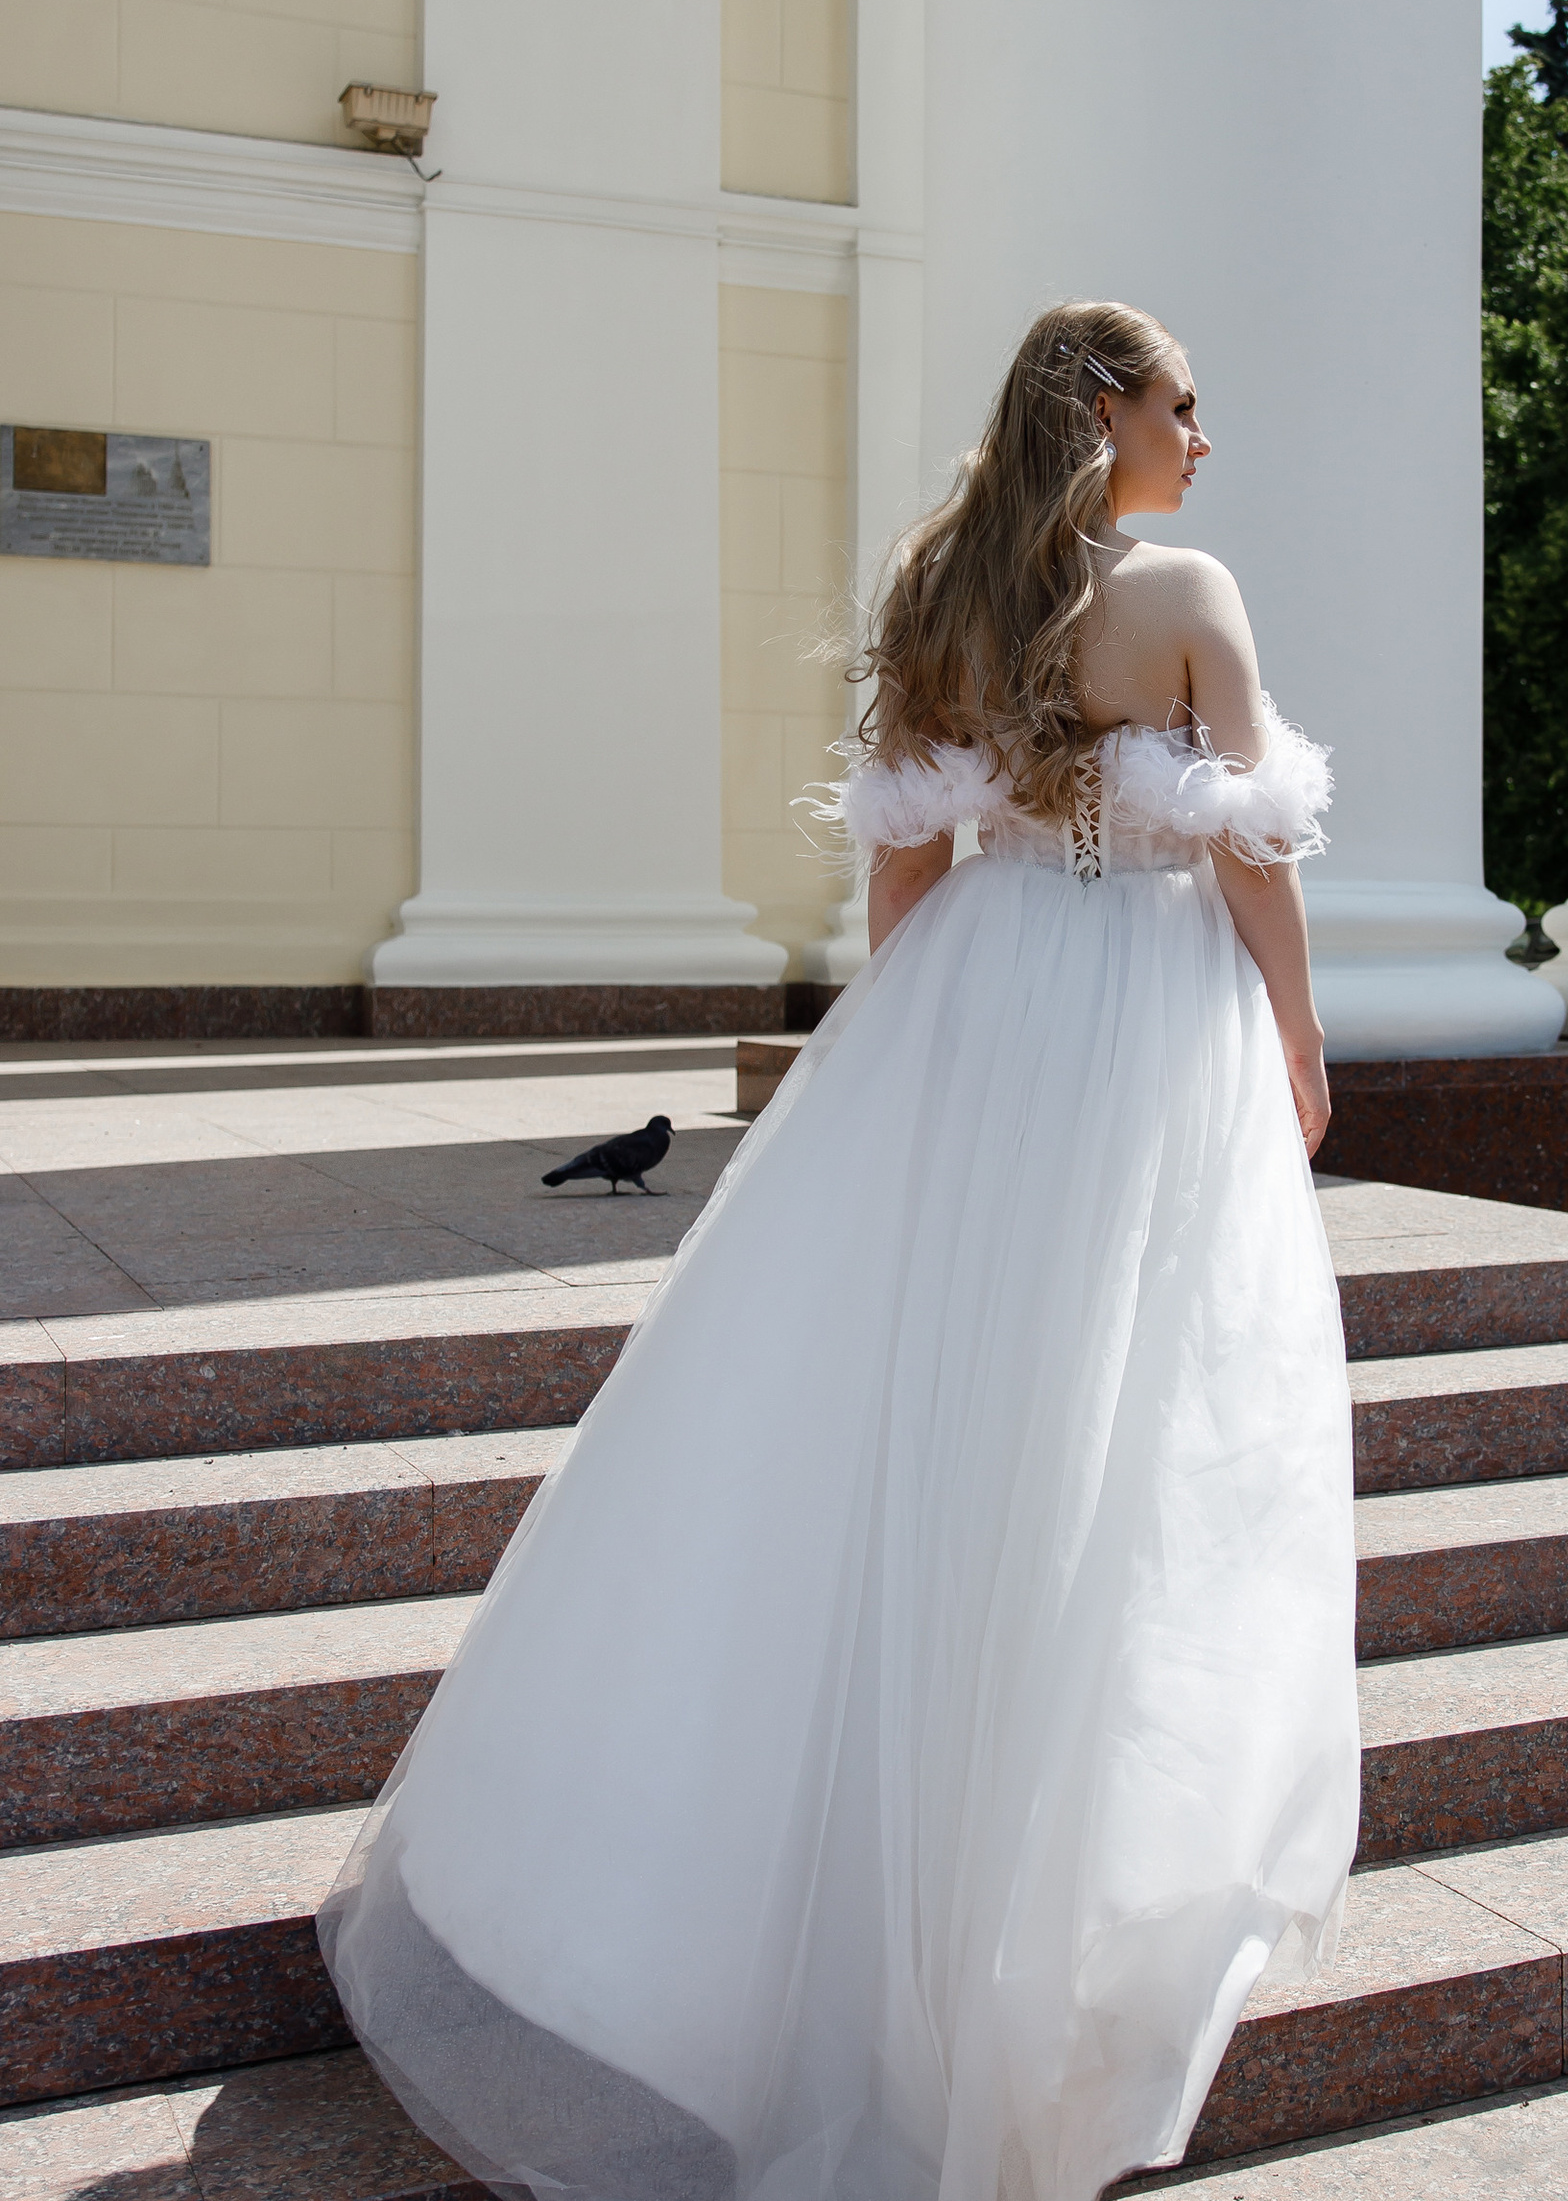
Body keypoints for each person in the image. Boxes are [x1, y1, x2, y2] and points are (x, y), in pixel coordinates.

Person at [321, 301, 1361, 2201]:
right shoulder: (1186, 593)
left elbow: (901, 868)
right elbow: (1250, 853)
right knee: (1126, 1429)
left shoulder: (936, 587)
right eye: (1183, 405)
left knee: (924, 1420)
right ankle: (1041, 1930)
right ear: (1106, 412)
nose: (1204, 440)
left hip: (977, 994)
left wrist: (916, 1050)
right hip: (1145, 1023)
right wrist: (1298, 1035)